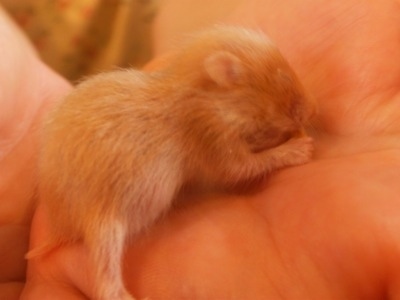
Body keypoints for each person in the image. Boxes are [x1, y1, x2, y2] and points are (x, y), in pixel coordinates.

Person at [2, 0, 400, 298]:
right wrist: (280, 155)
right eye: (276, 84)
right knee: (107, 219)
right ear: (224, 77)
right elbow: (229, 169)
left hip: (68, 164)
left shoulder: (197, 96)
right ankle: (111, 284)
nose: (300, 104)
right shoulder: (204, 116)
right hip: (96, 190)